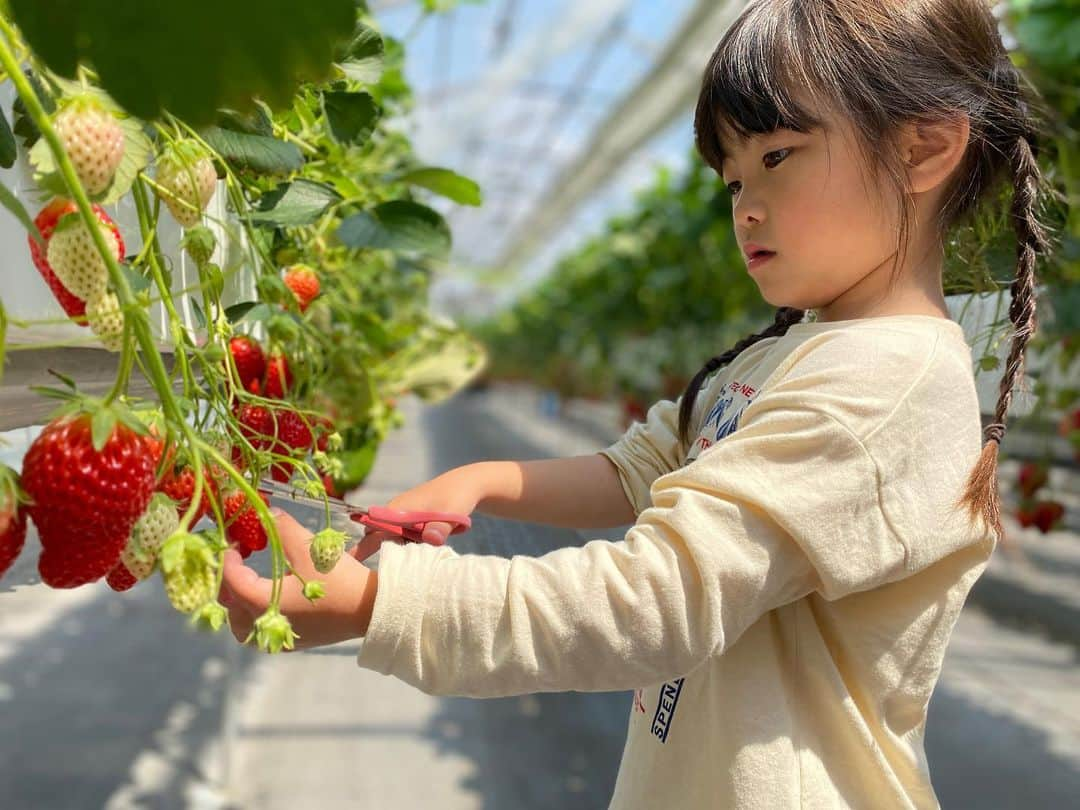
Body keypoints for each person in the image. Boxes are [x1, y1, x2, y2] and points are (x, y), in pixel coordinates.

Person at [221, 0, 1053, 806]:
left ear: (924, 149)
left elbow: (660, 602)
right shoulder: (796, 353)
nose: (746, 207)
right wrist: (483, 480)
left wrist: (383, 604)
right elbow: (642, 468)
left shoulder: (885, 382)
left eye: (777, 157)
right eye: (731, 181)